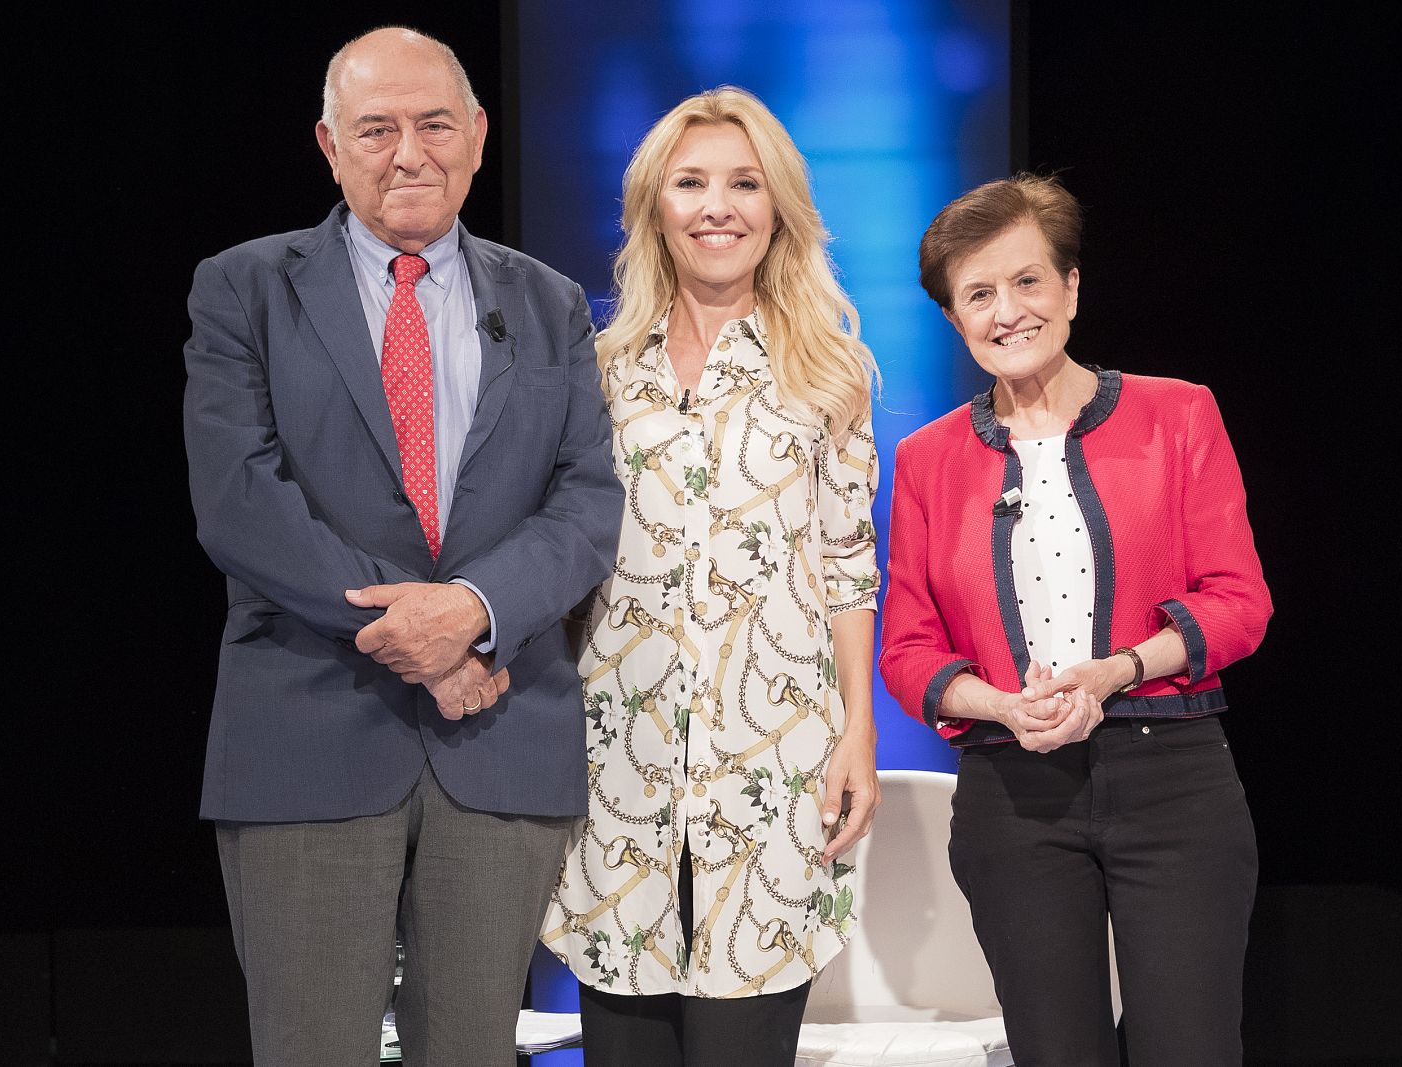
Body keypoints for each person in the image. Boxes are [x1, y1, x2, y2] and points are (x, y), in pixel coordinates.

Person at [181, 26, 622, 1067]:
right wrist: (412, 631)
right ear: (330, 146)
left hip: (500, 730)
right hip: (306, 734)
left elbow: (586, 499)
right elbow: (241, 500)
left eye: (432, 124)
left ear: (475, 136)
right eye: (375, 128)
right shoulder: (244, 288)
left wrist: (469, 611)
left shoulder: (551, 302)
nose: (407, 152)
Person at [878, 174, 1271, 1066]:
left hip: (1172, 782)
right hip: (1014, 797)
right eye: (978, 294)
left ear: (1072, 288)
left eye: (1027, 282)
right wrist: (1003, 705)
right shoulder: (927, 459)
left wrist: (1117, 670)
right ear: (954, 317)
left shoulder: (1179, 413)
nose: (1007, 311)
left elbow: (1240, 600)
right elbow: (906, 648)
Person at [539, 88, 882, 1067]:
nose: (717, 204)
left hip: (771, 776)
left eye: (743, 182)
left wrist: (856, 728)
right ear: (654, 205)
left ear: (778, 208)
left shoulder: (831, 371)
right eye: (690, 182)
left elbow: (846, 565)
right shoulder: (598, 373)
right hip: (617, 774)